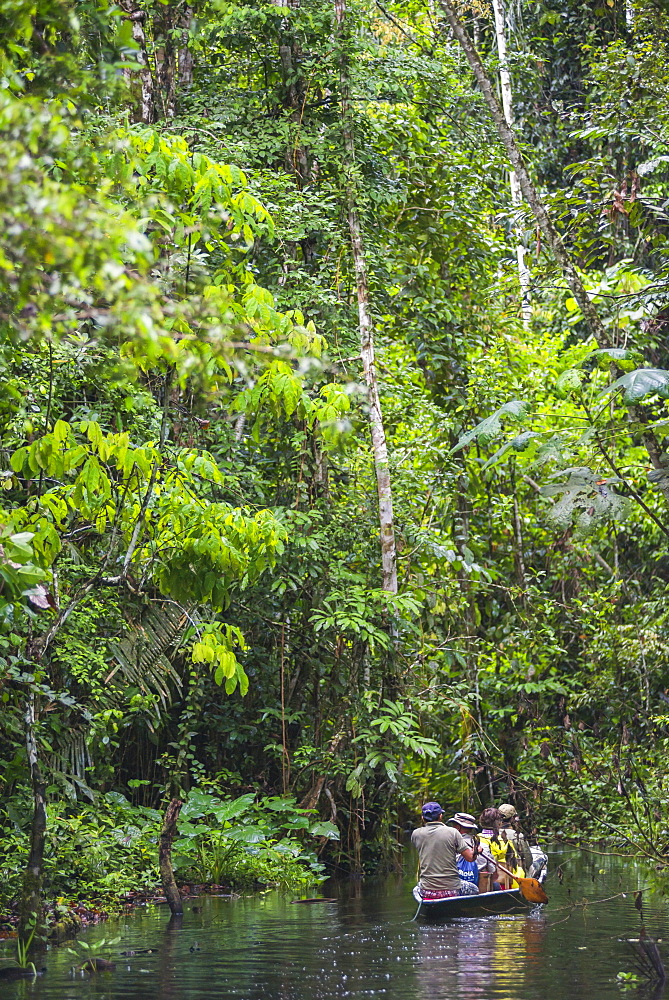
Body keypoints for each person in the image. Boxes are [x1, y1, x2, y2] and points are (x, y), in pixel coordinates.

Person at [411, 801, 475, 899]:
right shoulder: (453, 832)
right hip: (452, 890)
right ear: (440, 816)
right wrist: (477, 850)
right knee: (474, 889)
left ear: (422, 818)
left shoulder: (416, 834)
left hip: (427, 891)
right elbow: (470, 858)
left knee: (416, 889)